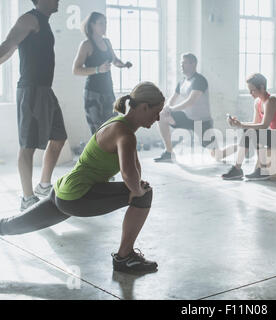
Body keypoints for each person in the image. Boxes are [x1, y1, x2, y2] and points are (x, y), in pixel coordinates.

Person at [0, 82, 165, 274]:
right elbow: (128, 174)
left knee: (12, 226)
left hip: (63, 191)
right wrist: (137, 191)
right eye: (157, 112)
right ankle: (125, 258)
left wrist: (137, 185)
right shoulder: (125, 134)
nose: (158, 118)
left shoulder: (119, 125)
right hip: (77, 196)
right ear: (144, 107)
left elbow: (135, 169)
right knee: (144, 196)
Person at [0, 0, 67, 211]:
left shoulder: (44, 21)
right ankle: (27, 199)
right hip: (31, 90)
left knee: (59, 137)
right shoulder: (29, 19)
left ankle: (43, 187)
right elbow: (8, 46)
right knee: (27, 146)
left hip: (45, 90)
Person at [222, 73, 276, 181]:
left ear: (262, 88)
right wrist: (237, 124)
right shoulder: (257, 102)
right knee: (249, 131)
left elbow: (263, 126)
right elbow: (255, 124)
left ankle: (262, 170)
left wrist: (241, 125)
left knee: (252, 132)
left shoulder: (271, 101)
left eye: (252, 90)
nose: (250, 93)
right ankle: (237, 169)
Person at [73, 12, 133, 135]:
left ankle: (110, 154)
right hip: (93, 93)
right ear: (92, 25)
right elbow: (76, 70)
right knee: (98, 132)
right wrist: (97, 70)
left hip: (108, 91)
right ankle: (96, 154)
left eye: (105, 23)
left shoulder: (107, 42)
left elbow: (115, 60)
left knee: (113, 127)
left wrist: (123, 65)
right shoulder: (86, 45)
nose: (104, 26)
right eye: (101, 23)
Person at [154, 53, 216, 162]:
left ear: (193, 64)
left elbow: (190, 102)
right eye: (181, 63)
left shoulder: (199, 80)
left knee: (217, 155)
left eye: (184, 63)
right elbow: (172, 99)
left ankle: (239, 148)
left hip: (201, 122)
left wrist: (171, 109)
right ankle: (169, 152)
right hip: (187, 117)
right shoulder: (182, 81)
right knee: (161, 115)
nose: (181, 66)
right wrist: (166, 108)